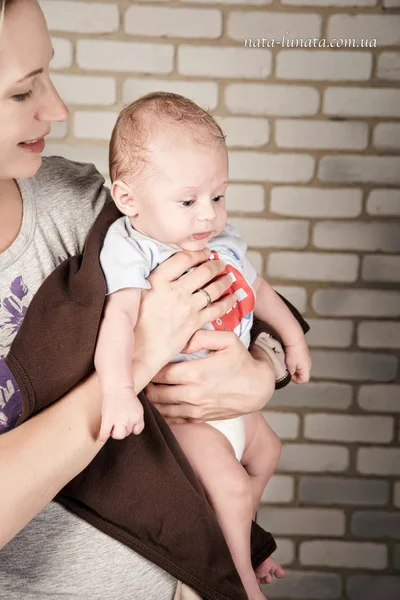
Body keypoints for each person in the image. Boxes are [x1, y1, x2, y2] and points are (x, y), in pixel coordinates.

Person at [0, 1, 285, 598]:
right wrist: (140, 357)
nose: (58, 109)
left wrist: (262, 370)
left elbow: (228, 288)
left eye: (48, 76)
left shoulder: (72, 199)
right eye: (22, 93)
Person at [94, 92, 311, 600]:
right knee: (231, 488)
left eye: (218, 196)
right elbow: (117, 321)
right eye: (188, 200)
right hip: (181, 415)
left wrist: (293, 341)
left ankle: (241, 544)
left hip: (228, 394)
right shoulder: (132, 248)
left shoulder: (220, 239)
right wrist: (119, 391)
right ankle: (232, 582)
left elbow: (259, 293)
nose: (206, 216)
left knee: (268, 453)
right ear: (128, 200)